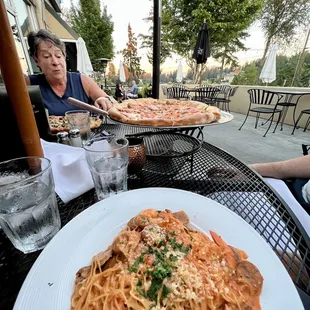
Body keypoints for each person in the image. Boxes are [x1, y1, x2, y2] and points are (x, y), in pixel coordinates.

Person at [24, 29, 113, 116]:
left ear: (64, 56)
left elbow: (112, 103)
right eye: (46, 56)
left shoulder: (83, 80)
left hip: (85, 129)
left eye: (58, 56)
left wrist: (104, 100)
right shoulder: (29, 84)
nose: (55, 62)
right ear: (36, 60)